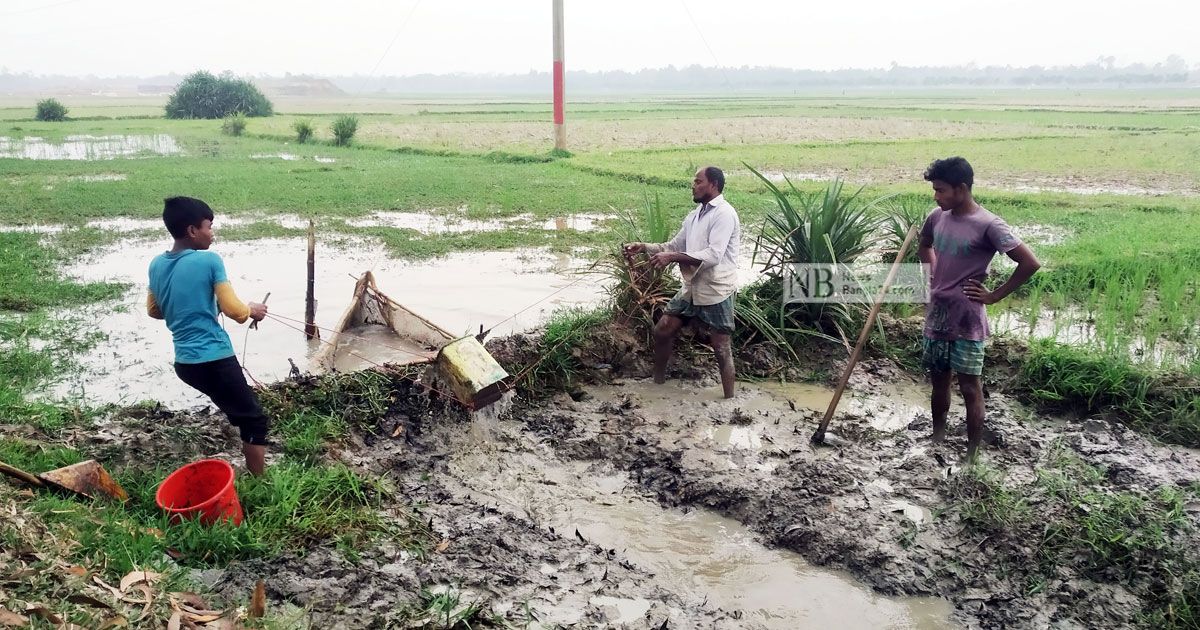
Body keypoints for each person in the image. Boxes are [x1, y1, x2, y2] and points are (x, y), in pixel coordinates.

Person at [918, 157, 1040, 463]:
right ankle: (938, 437)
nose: (936, 196)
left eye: (941, 190)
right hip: (938, 313)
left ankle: (971, 456)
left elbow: (1029, 263)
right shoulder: (936, 217)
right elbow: (925, 245)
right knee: (938, 379)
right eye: (935, 190)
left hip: (968, 318)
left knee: (970, 387)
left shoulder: (989, 225)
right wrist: (933, 277)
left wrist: (995, 295)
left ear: (961, 189)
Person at [147, 196, 271, 475]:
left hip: (186, 365)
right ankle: (259, 483)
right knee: (254, 420)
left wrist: (200, 306)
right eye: (209, 227)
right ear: (193, 231)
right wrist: (252, 309)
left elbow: (155, 310)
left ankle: (243, 452)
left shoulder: (156, 264)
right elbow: (235, 311)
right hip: (214, 360)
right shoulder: (210, 261)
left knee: (238, 410)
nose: (212, 234)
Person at [624, 166, 740, 398]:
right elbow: (675, 246)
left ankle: (730, 401)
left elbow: (713, 255)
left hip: (716, 289)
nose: (693, 185)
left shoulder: (724, 214)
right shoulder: (695, 215)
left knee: (721, 348)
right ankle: (658, 385)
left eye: (698, 181)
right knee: (663, 329)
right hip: (691, 287)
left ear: (713, 185)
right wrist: (644, 247)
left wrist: (673, 257)